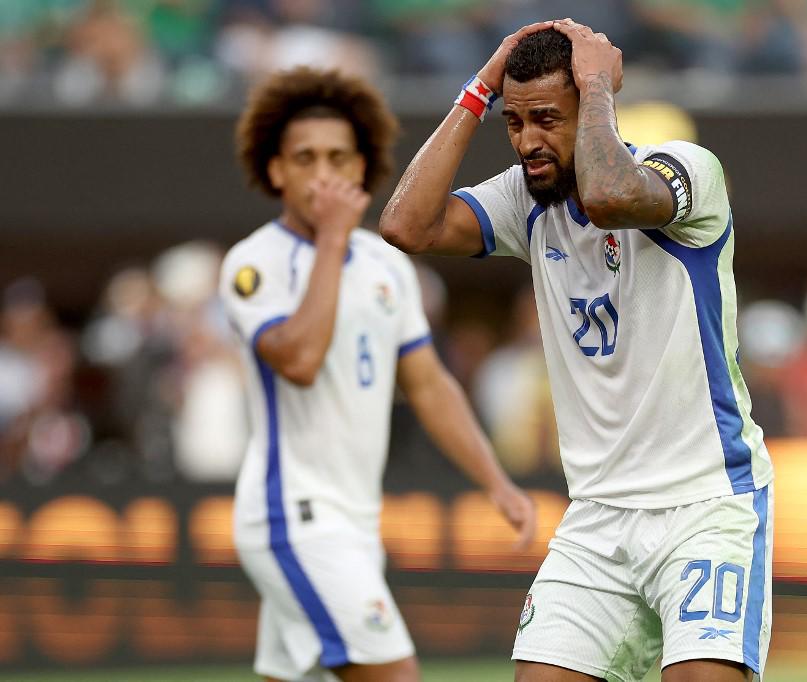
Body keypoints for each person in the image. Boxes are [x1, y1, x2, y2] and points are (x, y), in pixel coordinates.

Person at [380, 19, 773, 682]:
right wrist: (479, 89)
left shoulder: (687, 173)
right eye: (515, 122)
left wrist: (595, 86)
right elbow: (405, 224)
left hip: (705, 505)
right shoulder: (526, 200)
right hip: (596, 517)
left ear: (595, 106)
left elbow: (611, 196)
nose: (528, 141)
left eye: (547, 119)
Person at [222, 66, 536, 682]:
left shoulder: (386, 268)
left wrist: (495, 481)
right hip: (296, 517)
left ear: (363, 167)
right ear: (276, 170)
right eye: (305, 158)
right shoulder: (253, 264)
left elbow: (428, 384)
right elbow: (300, 361)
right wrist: (335, 243)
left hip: (355, 521)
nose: (324, 173)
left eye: (339, 157)